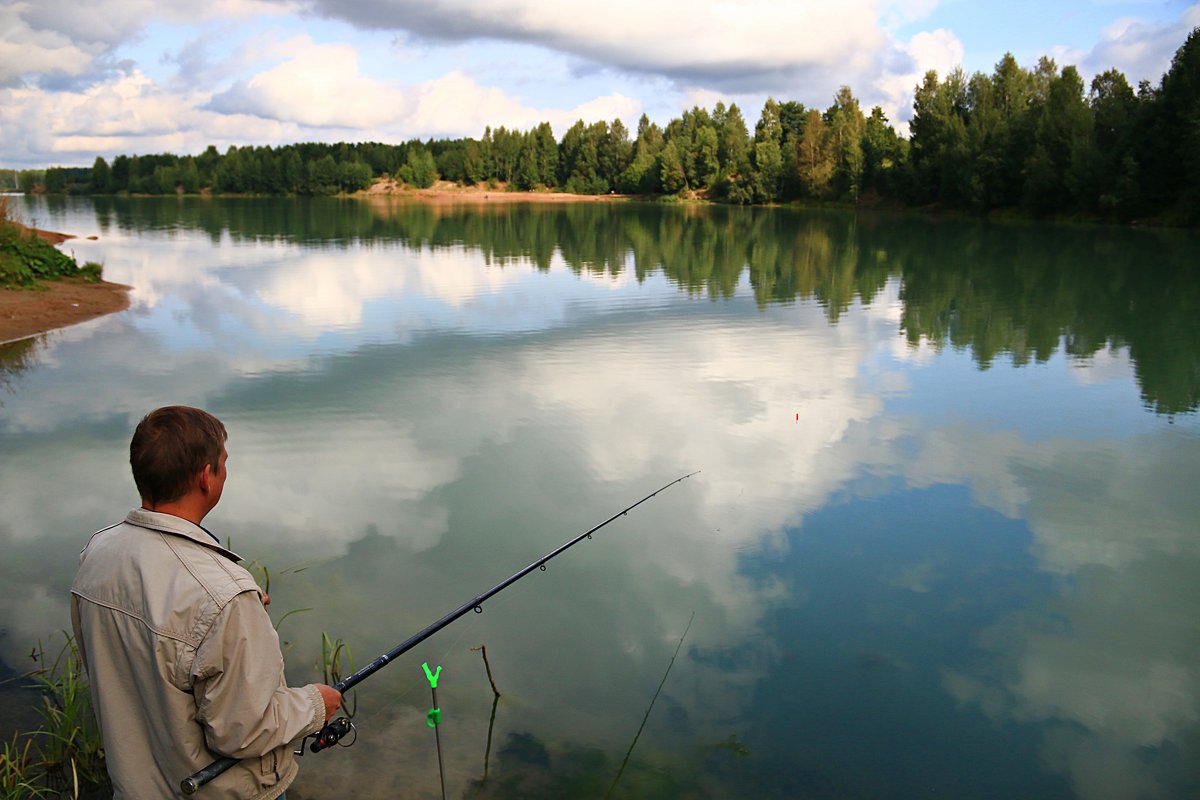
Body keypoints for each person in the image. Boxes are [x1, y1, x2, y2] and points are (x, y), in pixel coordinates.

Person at [71, 406, 341, 799]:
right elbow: (243, 732)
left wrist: (233, 617)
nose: (225, 472)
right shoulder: (223, 594)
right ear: (205, 476)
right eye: (223, 463)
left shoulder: (97, 552)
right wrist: (316, 704)